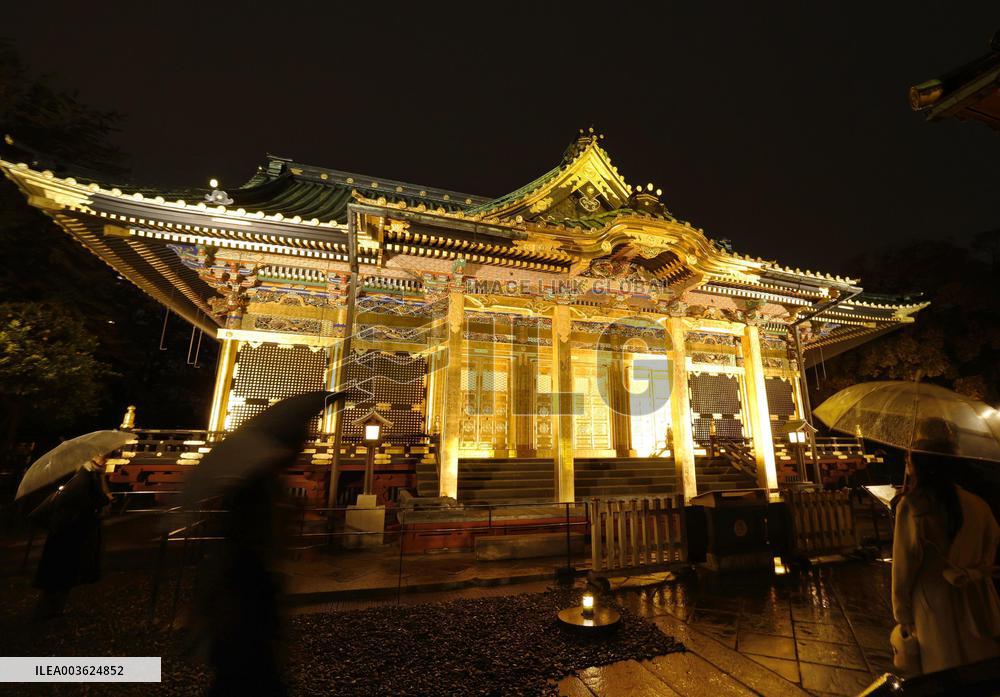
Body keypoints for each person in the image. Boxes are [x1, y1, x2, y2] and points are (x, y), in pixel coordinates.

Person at [891, 427, 1000, 675]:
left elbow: (903, 570)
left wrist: (903, 615)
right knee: (979, 672)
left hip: (932, 604)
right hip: (976, 602)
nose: (906, 460)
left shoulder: (913, 507)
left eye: (910, 455)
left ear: (921, 462)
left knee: (943, 671)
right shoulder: (977, 504)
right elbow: (990, 547)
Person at [33, 456, 112, 619]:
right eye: (101, 456)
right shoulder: (83, 477)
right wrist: (104, 496)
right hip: (69, 532)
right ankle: (48, 610)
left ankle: (52, 608)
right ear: (91, 458)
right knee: (61, 571)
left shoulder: (85, 475)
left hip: (67, 530)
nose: (105, 460)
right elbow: (94, 499)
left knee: (61, 572)